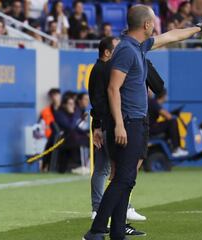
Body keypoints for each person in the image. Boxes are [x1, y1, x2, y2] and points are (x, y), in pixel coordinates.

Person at [83, 5, 202, 240]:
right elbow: (113, 89)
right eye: (153, 21)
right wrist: (119, 125)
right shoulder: (126, 50)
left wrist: (199, 27)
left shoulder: (137, 46)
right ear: (146, 24)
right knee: (123, 178)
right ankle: (95, 232)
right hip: (128, 122)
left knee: (126, 179)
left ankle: (117, 232)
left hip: (135, 121)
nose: (156, 26)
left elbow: (171, 35)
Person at [88, 36, 148, 237]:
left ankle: (117, 227)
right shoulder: (101, 70)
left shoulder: (109, 68)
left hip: (113, 124)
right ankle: (99, 219)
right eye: (116, 48)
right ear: (107, 52)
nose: (119, 50)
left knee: (118, 175)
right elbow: (99, 100)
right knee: (114, 174)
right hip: (112, 126)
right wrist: (100, 125)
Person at [148, 90, 188, 157]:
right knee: (172, 122)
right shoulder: (154, 103)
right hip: (151, 129)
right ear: (163, 96)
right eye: (166, 95)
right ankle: (176, 149)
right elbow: (168, 116)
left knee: (171, 123)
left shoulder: (155, 103)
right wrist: (171, 115)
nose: (167, 97)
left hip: (151, 127)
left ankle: (174, 147)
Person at [40, 88, 61, 171]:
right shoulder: (46, 111)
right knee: (51, 142)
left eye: (56, 95)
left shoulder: (65, 108)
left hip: (63, 135)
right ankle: (45, 166)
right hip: (50, 136)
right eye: (52, 96)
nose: (54, 97)